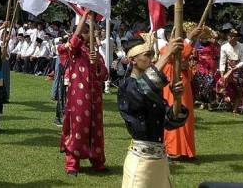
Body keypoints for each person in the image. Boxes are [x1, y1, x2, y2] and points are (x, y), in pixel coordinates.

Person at [118, 35, 189, 188]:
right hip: (140, 162)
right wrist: (167, 54)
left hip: (160, 161)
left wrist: (177, 99)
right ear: (132, 60)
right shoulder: (127, 87)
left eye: (152, 54)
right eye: (147, 55)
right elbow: (142, 89)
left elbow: (170, 123)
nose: (152, 59)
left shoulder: (152, 89)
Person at [60, 11, 108, 176]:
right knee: (78, 126)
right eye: (85, 32)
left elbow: (105, 75)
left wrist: (97, 64)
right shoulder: (74, 51)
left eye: (89, 31)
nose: (88, 35)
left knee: (96, 129)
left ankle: (97, 161)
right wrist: (85, 15)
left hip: (96, 96)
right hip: (78, 96)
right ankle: (72, 164)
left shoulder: (94, 53)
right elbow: (73, 41)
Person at [159, 23, 197, 160]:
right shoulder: (164, 49)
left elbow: (185, 61)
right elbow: (176, 56)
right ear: (170, 36)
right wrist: (190, 39)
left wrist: (185, 67)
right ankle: (172, 149)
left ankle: (186, 150)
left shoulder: (178, 49)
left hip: (184, 86)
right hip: (171, 87)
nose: (181, 39)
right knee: (174, 113)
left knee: (186, 115)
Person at [217, 29, 243, 113]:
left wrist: (236, 67)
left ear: (237, 38)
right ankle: (228, 106)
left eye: (233, 37)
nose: (230, 38)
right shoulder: (224, 47)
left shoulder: (242, 46)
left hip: (238, 70)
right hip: (228, 70)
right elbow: (222, 61)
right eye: (229, 36)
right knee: (226, 88)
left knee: (238, 89)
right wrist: (222, 73)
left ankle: (235, 109)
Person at [192, 26, 220, 110]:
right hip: (200, 66)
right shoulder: (197, 45)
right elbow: (195, 56)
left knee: (209, 84)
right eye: (201, 36)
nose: (203, 38)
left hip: (210, 67)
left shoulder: (212, 44)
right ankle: (203, 103)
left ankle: (210, 103)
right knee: (202, 85)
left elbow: (216, 55)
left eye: (204, 36)